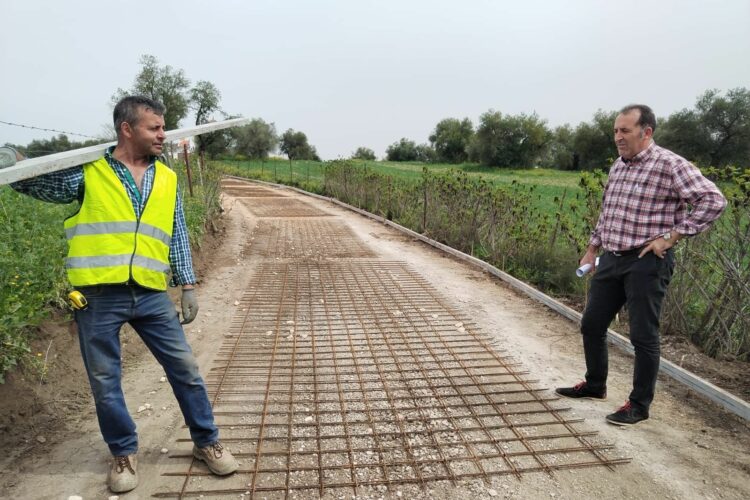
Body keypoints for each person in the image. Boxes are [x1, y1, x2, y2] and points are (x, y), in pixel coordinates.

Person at [8, 96, 237, 492]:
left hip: (150, 294)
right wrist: (14, 160)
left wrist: (188, 284)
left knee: (185, 370)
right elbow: (34, 181)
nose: (163, 134)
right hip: (98, 297)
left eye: (164, 127)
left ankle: (207, 441)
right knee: (105, 381)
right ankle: (123, 453)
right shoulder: (88, 172)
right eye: (155, 128)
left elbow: (177, 230)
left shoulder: (166, 176)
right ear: (127, 129)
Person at [556, 104, 726, 426]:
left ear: (646, 132)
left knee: (643, 336)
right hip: (612, 258)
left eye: (625, 131)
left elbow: (714, 200)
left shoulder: (670, 164)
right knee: (592, 324)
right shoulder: (617, 167)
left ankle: (638, 405)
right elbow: (609, 213)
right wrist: (593, 248)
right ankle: (595, 385)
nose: (618, 137)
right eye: (616, 131)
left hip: (647, 262)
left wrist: (672, 236)